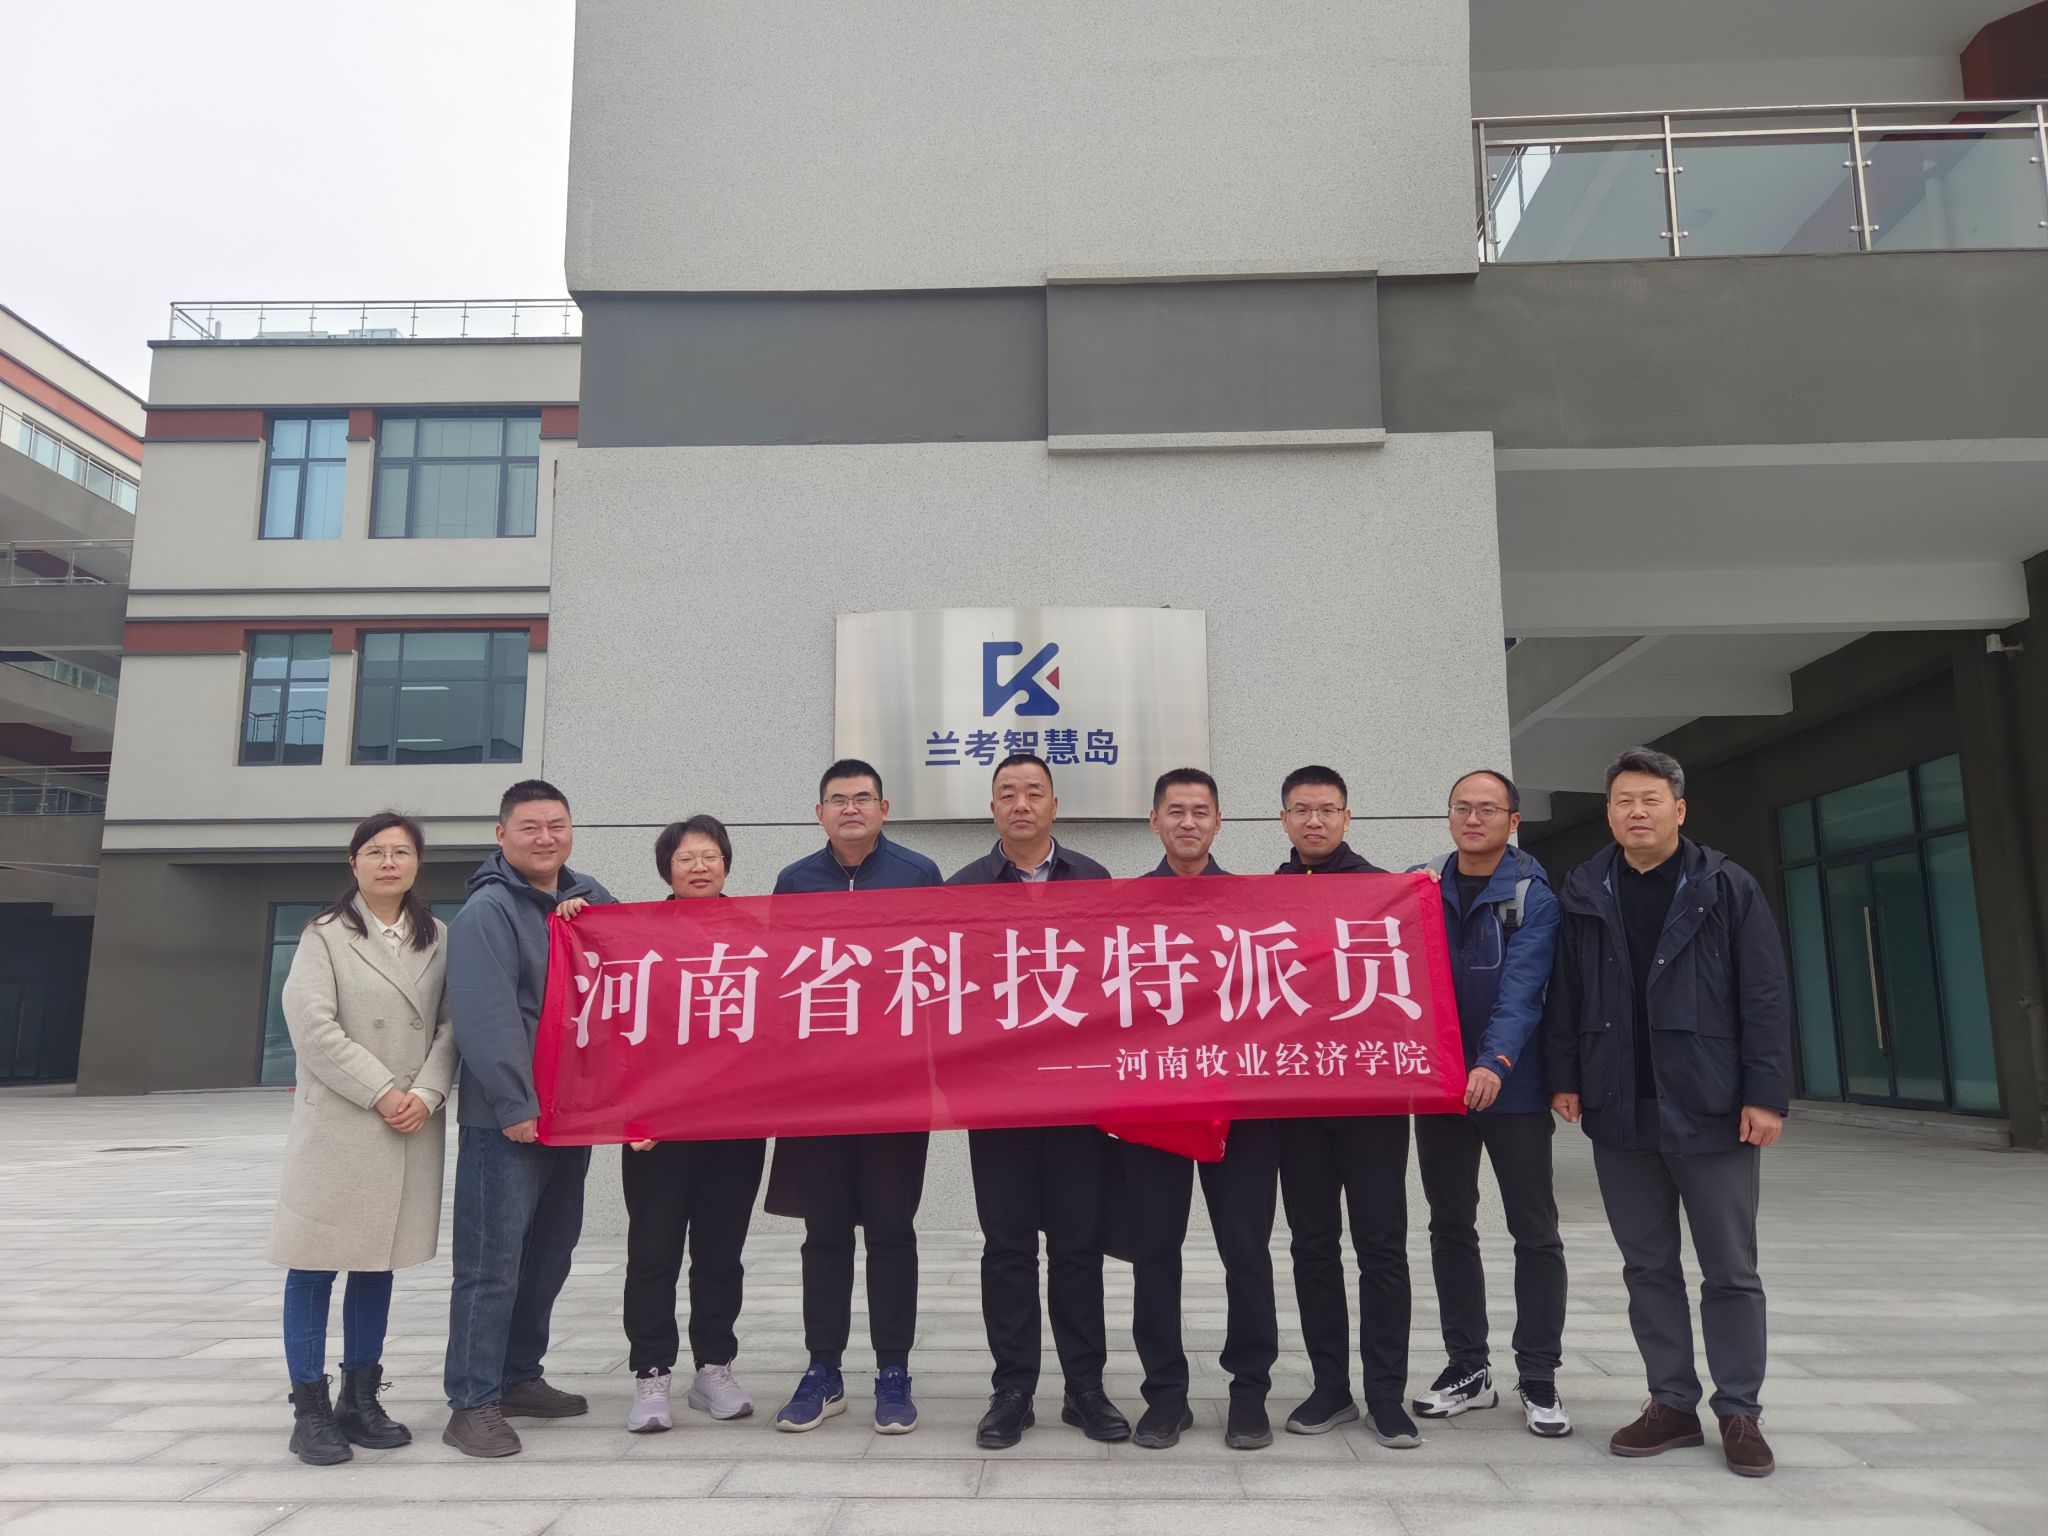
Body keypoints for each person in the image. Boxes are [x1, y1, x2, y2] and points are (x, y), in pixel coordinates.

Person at [1547, 746, 1790, 1478]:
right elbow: (1566, 992)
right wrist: (1565, 1075)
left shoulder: (1725, 886)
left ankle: (1739, 1409)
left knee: (1730, 1268)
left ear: (1679, 810)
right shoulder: (1586, 889)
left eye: (1650, 800)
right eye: (1624, 800)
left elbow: (1765, 993)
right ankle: (1672, 1403)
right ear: (1609, 813)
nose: (1637, 812)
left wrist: (1765, 1093)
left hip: (1712, 1104)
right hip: (1620, 1107)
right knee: (1648, 1266)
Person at [948, 752, 1127, 1450]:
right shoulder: (962, 889)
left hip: (1080, 1096)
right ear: (992, 808)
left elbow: (1117, 983)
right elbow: (946, 998)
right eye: (1007, 793)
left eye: (1033, 792)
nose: (1020, 804)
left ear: (1055, 805)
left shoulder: (1095, 880)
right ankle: (1013, 1390)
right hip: (998, 1101)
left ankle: (1085, 1388)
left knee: (1078, 1246)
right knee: (1008, 1247)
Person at [268, 812, 456, 1465]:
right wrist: (381, 1090)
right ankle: (310, 1409)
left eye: (401, 852)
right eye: (375, 851)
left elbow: (452, 1026)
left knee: (378, 1263)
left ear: (417, 864)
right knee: (314, 1262)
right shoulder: (324, 934)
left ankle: (361, 1398)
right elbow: (312, 1027)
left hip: (411, 1120)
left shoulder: (439, 937)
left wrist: (426, 1094)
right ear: (354, 864)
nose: (388, 862)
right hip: (345, 1120)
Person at [764, 760, 942, 1436]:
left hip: (897, 1088)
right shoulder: (794, 882)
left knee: (893, 1230)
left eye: (862, 797)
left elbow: (942, 973)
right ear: (819, 813)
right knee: (825, 1233)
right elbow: (777, 982)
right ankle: (823, 1371)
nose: (850, 809)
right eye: (837, 799)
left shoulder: (919, 875)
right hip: (819, 1092)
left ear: (884, 808)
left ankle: (893, 1371)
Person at [441, 780, 616, 1458]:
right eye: (530, 826)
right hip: (508, 1120)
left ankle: (518, 1376)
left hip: (572, 1113)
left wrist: (592, 922)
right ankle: (472, 1401)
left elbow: (634, 965)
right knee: (492, 1263)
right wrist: (516, 1104)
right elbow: (483, 1014)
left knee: (548, 1254)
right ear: (502, 835)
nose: (546, 838)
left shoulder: (590, 898)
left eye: (557, 825)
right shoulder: (487, 912)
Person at [1118, 767, 1282, 1451]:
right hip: (1155, 1102)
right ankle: (1165, 1395)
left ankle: (1249, 1392)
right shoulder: (1122, 907)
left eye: (1200, 811)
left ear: (1218, 822)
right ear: (1155, 820)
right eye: (1175, 811)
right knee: (1154, 1251)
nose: (1188, 822)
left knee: (1246, 1250)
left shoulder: (1253, 904)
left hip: (1241, 1102)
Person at [1409, 770, 1570, 1437]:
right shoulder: (1419, 887)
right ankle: (1467, 1368)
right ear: (1449, 815)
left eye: (1488, 809)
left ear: (1513, 821)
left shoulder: (1534, 896)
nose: (1473, 819)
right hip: (1440, 1088)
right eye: (1462, 808)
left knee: (1534, 1230)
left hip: (1514, 1087)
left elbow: (1523, 991)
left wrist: (1494, 1061)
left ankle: (1539, 1375)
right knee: (1450, 1225)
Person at [1270, 765, 1421, 1449]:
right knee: (1312, 1246)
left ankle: (1386, 1394)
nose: (1315, 821)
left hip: (1372, 1100)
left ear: (1347, 818)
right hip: (1297, 1099)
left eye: (1327, 809)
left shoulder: (1386, 892)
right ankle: (1331, 1387)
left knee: (1381, 1246)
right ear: (1283, 819)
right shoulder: (1261, 899)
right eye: (1301, 810)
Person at [609, 816, 767, 1433]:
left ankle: (713, 1369)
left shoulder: (757, 935)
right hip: (657, 1127)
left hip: (734, 1124)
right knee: (653, 1252)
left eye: (710, 857)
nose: (700, 867)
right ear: (666, 869)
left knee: (721, 1254)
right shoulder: (638, 935)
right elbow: (619, 1032)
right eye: (686, 859)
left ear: (726, 864)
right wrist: (629, 1111)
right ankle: (651, 1375)